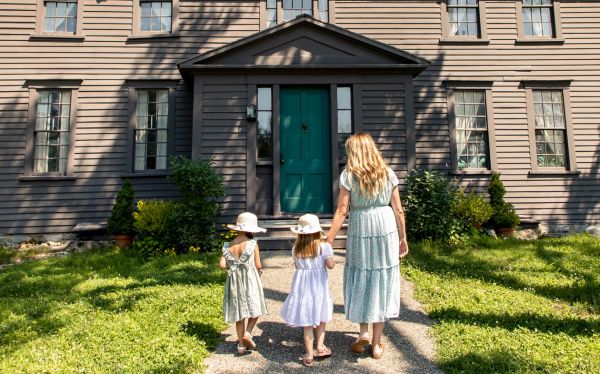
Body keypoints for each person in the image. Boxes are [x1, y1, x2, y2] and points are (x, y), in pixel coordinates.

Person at [326, 132, 409, 360]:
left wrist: (329, 239)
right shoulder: (387, 173)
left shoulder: (349, 175)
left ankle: (363, 332)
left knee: (362, 275)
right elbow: (398, 210)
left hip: (361, 226)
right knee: (381, 278)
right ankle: (376, 343)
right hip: (385, 226)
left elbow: (342, 210)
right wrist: (403, 237)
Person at [280, 214, 336, 367]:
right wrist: (329, 257)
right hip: (318, 288)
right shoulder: (323, 247)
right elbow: (331, 265)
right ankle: (320, 346)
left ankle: (309, 355)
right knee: (321, 316)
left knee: (307, 323)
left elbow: (297, 267)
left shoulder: (296, 248)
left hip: (303, 288)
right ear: (317, 231)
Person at [219, 212, 269, 355]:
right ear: (252, 229)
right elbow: (258, 265)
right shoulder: (253, 244)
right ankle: (248, 332)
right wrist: (258, 270)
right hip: (250, 279)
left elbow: (222, 265)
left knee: (239, 314)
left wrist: (232, 266)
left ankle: (241, 345)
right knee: (255, 308)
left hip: (234, 281)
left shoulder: (228, 245)